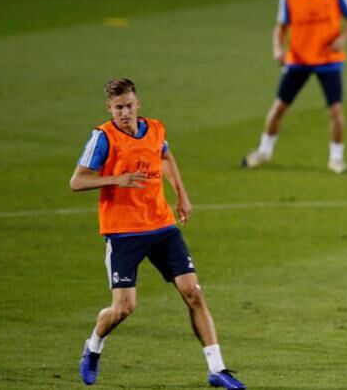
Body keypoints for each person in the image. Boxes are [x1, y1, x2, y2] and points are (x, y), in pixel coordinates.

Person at [70, 78, 246, 389]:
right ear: (109, 108)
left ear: (138, 104)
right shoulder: (103, 138)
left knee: (193, 292)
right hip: (123, 232)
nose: (125, 112)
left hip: (162, 226)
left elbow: (164, 157)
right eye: (118, 108)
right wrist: (117, 179)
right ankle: (93, 345)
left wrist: (181, 195)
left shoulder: (155, 128)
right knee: (124, 308)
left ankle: (217, 369)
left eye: (129, 106)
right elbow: (77, 181)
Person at [242, 0, 347, 174]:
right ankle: (264, 152)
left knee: (335, 111)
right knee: (279, 108)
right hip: (298, 60)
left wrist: (343, 38)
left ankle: (336, 158)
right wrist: (277, 49)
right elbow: (280, 27)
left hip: (328, 60)